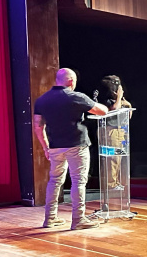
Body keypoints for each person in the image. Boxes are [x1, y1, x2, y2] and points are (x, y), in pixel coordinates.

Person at [33, 68, 109, 230]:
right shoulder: (75, 97)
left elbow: (38, 127)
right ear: (70, 81)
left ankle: (50, 218)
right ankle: (78, 219)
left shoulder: (42, 100)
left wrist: (46, 148)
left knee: (54, 181)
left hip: (55, 147)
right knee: (78, 182)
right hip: (77, 145)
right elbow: (102, 111)